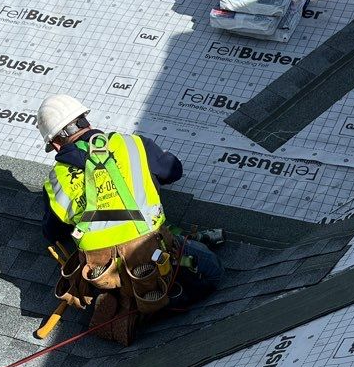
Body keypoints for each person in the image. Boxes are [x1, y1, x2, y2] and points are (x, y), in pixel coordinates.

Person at [37, 93, 222, 340]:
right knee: (211, 270)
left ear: (56, 144)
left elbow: (52, 232)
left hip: (104, 273)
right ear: (85, 121)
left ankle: (132, 303)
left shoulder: (56, 180)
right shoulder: (131, 144)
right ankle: (162, 298)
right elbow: (172, 171)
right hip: (155, 253)